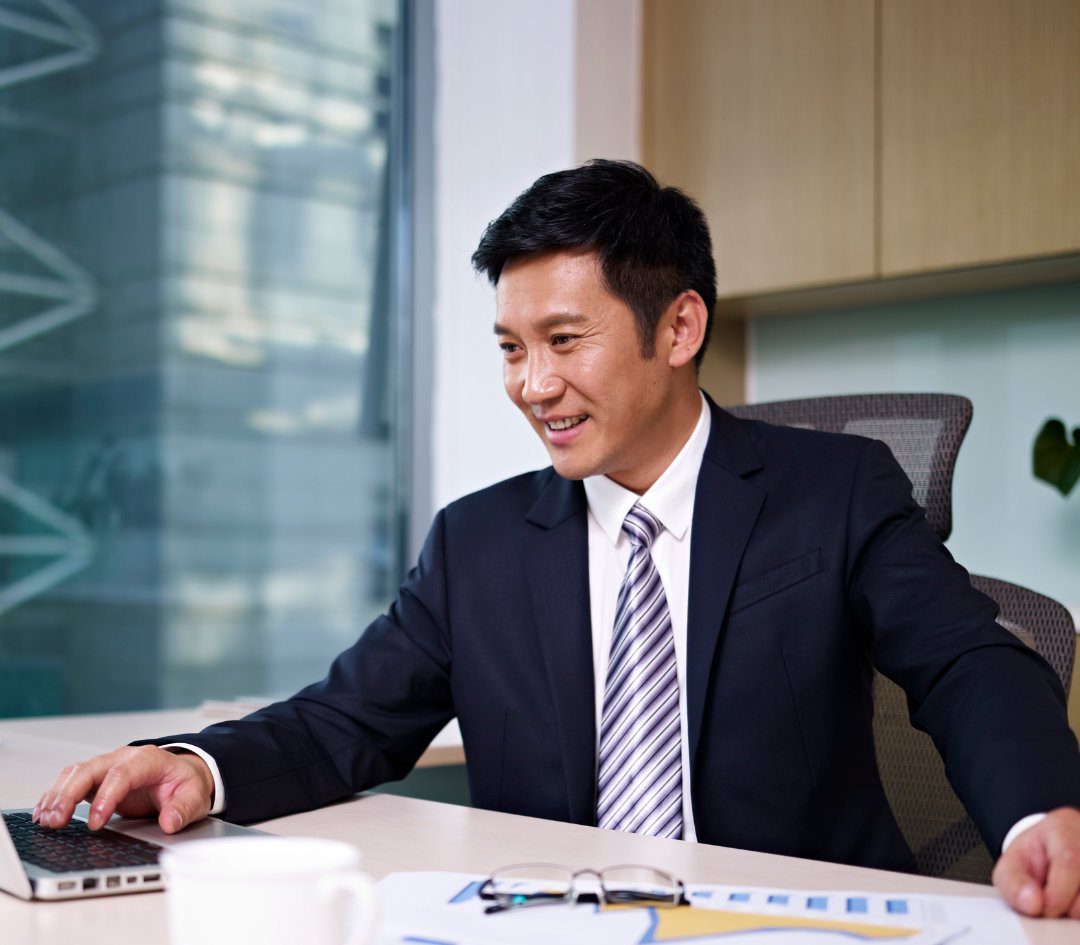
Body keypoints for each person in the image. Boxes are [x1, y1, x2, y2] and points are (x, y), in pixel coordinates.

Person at [35, 160, 1080, 917]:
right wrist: (194, 766)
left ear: (678, 329)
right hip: (552, 924)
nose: (533, 387)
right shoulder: (478, 542)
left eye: (565, 341)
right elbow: (343, 722)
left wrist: (1041, 816)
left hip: (786, 923)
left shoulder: (833, 489)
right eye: (511, 348)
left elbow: (967, 664)